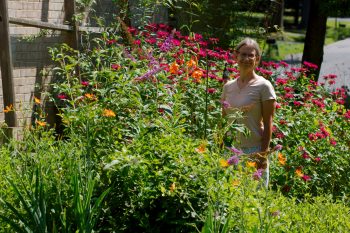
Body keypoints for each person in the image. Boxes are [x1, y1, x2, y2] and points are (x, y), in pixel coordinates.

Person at [221, 37, 276, 187]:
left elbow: (268, 122)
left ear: (257, 59)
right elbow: (224, 120)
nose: (246, 58)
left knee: (252, 202)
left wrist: (262, 156)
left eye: (250, 55)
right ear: (235, 56)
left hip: (254, 152)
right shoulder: (228, 87)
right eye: (243, 54)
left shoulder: (264, 86)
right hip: (230, 151)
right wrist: (220, 148)